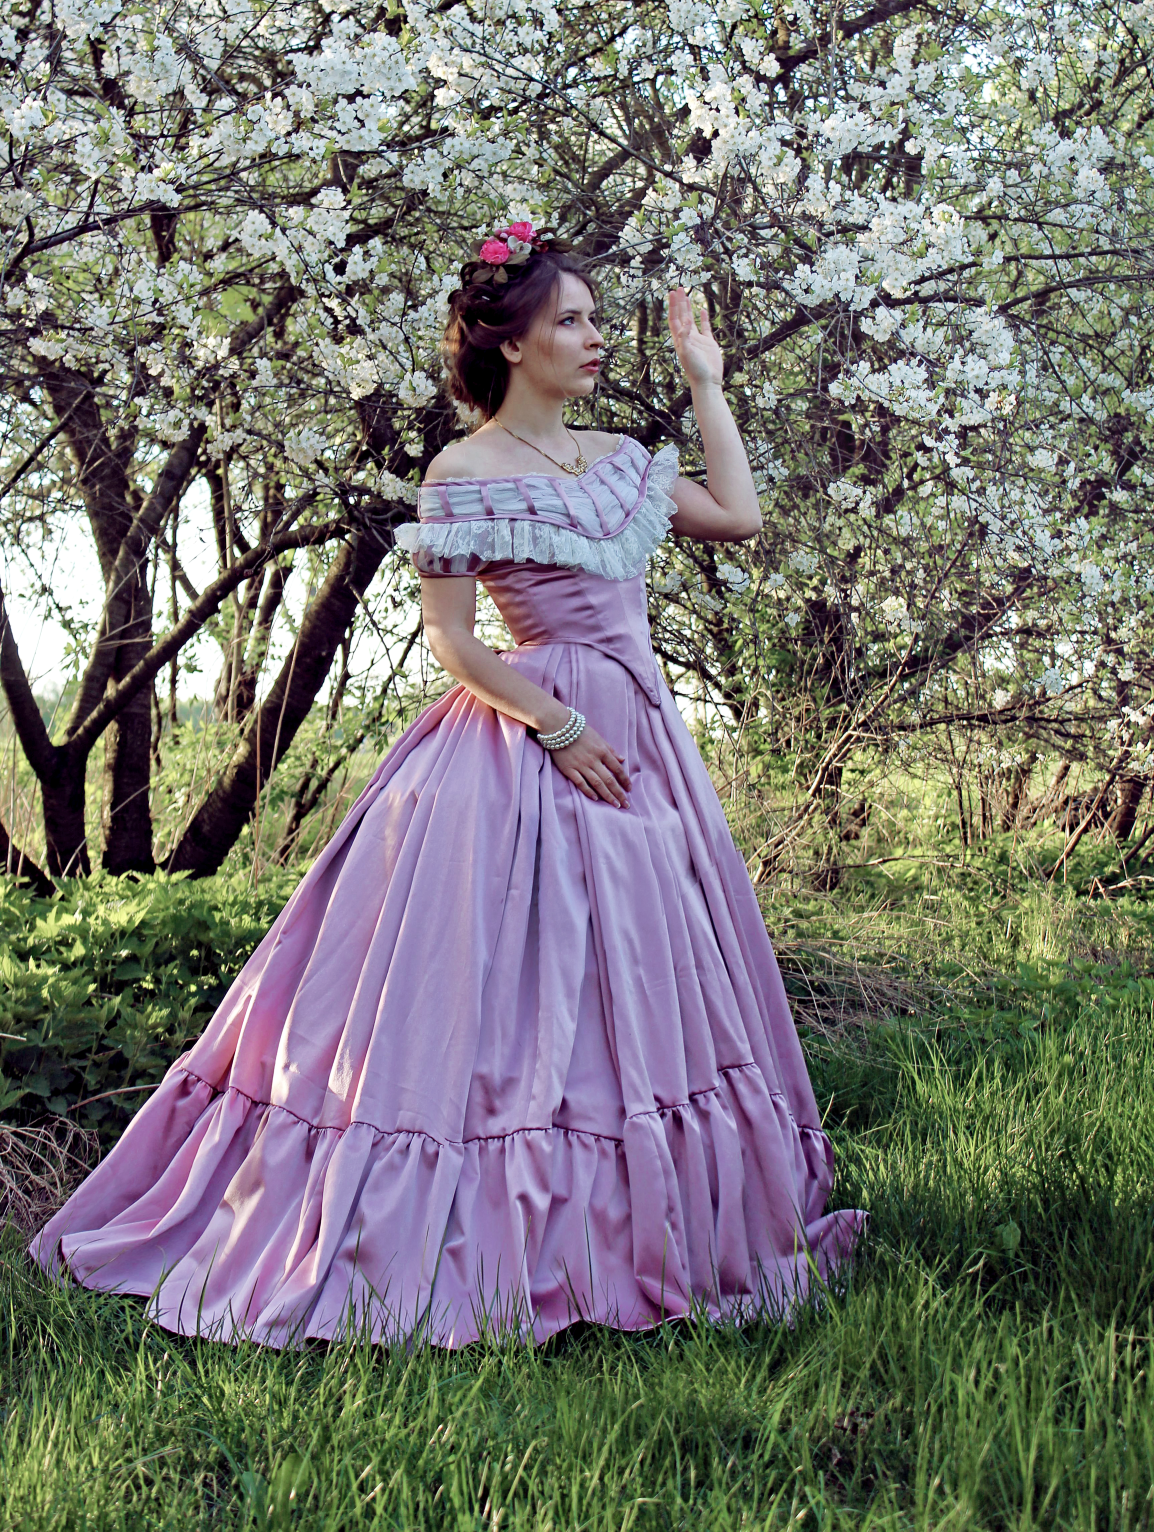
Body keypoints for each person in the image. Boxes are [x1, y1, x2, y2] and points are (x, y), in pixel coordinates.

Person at [32, 223, 863, 1347]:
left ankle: (648, 1224)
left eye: (592, 319)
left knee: (635, 982)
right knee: (501, 1001)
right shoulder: (463, 471)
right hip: (521, 742)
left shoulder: (621, 458)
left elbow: (739, 515)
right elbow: (455, 645)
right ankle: (461, 1234)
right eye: (569, 319)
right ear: (511, 342)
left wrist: (706, 388)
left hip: (641, 738)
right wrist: (557, 725)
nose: (593, 338)